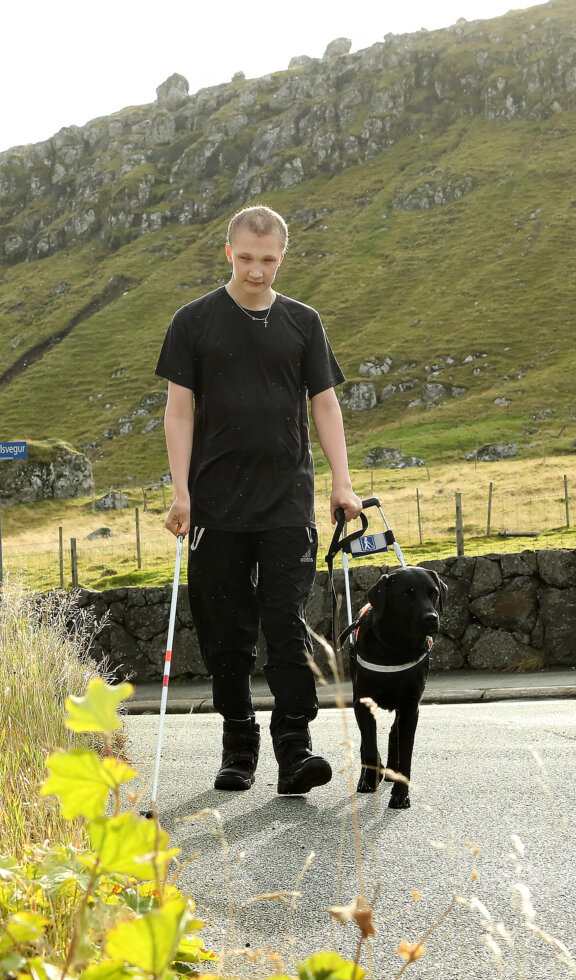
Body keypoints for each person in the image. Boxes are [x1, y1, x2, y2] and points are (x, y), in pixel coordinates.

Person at [155, 205, 362, 796]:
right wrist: (181, 492)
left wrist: (340, 482)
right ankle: (238, 744)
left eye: (267, 260)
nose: (256, 271)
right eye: (246, 258)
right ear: (228, 253)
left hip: (287, 505)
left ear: (282, 258)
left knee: (285, 624)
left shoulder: (303, 322)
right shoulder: (192, 322)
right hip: (214, 508)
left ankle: (295, 751)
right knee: (226, 632)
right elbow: (178, 410)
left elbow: (325, 404)